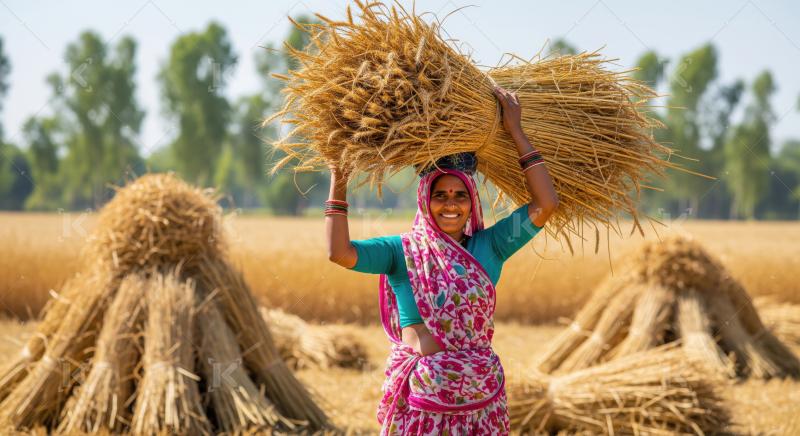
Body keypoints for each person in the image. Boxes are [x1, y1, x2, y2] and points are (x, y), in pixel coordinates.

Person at [326, 86, 559, 435]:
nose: (451, 204)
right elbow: (340, 253)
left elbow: (545, 205)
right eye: (440, 195)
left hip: (481, 403)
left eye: (460, 195)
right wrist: (339, 176)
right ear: (424, 199)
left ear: (472, 202)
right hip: (423, 405)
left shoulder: (490, 246)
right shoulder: (400, 251)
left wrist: (516, 131)